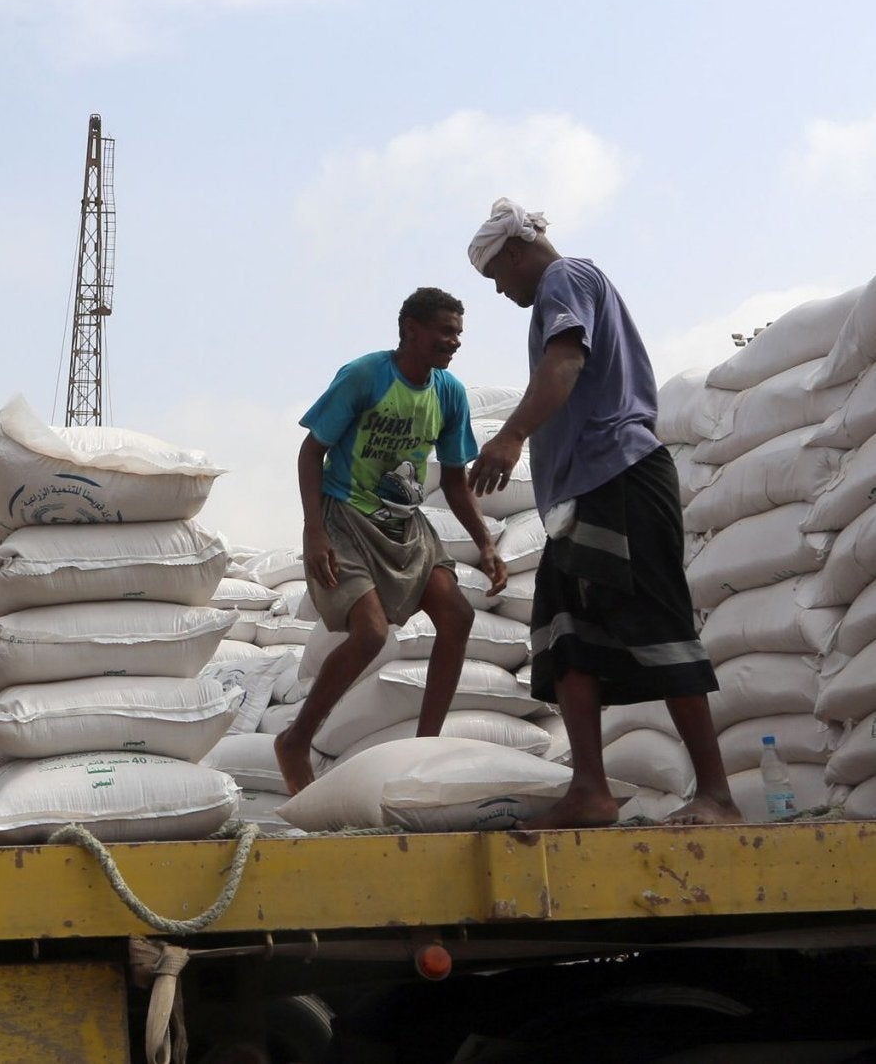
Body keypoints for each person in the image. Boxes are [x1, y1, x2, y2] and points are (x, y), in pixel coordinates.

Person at [468, 198, 733, 826]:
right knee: (566, 637)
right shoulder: (563, 288)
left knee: (657, 621)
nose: (501, 291)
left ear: (513, 251)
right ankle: (590, 790)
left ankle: (719, 795)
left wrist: (510, 437)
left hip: (621, 478)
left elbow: (565, 363)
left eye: (496, 277)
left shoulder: (567, 277)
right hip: (581, 495)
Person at [275, 288, 508, 794]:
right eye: (445, 332)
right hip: (345, 519)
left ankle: (423, 748)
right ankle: (295, 739)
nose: (454, 343)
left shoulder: (449, 393)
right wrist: (315, 533)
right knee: (371, 634)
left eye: (459, 334)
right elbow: (311, 452)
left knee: (457, 615)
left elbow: (452, 480)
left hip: (404, 523)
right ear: (410, 330)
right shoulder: (366, 376)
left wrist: (485, 543)